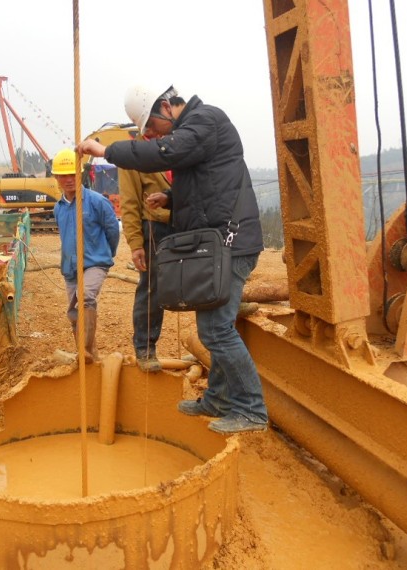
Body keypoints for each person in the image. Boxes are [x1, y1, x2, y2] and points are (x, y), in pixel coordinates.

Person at [77, 85, 268, 434]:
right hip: (219, 244)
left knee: (216, 329)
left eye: (150, 126)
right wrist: (170, 197)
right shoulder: (194, 129)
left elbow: (165, 152)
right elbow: (207, 184)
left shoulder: (204, 120)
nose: (149, 134)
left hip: (233, 242)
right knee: (213, 325)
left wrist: (107, 150)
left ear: (167, 107)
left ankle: (251, 408)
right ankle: (219, 399)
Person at [51, 148, 120, 363]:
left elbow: (113, 232)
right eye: (63, 175)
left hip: (95, 262)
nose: (68, 179)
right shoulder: (58, 208)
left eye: (72, 174)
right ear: (56, 178)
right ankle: (91, 357)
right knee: (73, 312)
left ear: (79, 174)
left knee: (86, 297)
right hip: (70, 266)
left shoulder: (97, 202)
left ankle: (86, 352)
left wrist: (106, 254)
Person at [118, 141, 172, 373]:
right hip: (155, 228)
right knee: (152, 288)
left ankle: (210, 343)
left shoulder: (180, 143)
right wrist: (136, 244)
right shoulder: (133, 154)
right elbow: (129, 203)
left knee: (198, 281)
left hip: (187, 223)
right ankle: (145, 346)